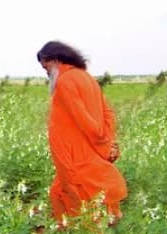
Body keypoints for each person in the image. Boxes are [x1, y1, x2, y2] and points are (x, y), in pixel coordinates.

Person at [36, 40, 127, 222]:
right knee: (63, 192)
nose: (45, 71)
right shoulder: (87, 78)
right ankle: (77, 233)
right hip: (85, 151)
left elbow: (84, 119)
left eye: (45, 66)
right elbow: (107, 112)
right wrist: (108, 142)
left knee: (79, 195)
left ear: (54, 59)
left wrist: (102, 143)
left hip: (77, 154)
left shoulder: (66, 81)